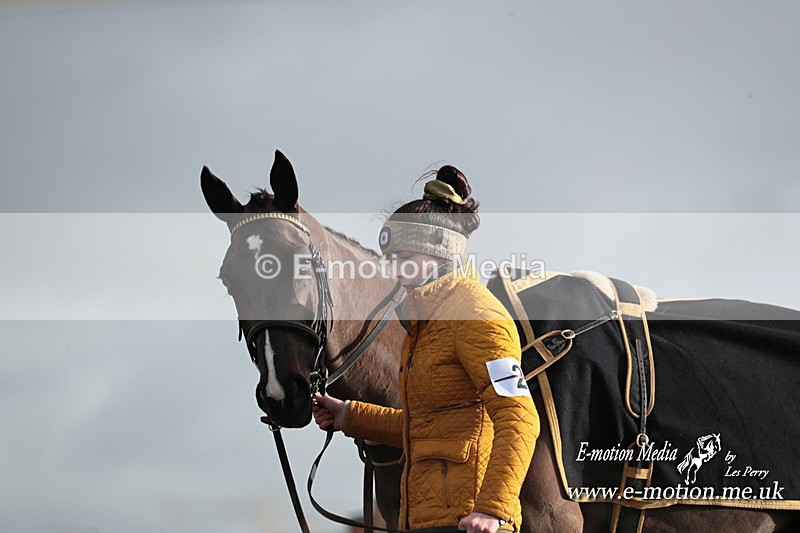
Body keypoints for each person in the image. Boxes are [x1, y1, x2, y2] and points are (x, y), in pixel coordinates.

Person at [314, 165, 539, 533]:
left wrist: (493, 510)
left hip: (469, 521)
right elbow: (425, 424)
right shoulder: (425, 324)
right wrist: (349, 416)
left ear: (441, 252)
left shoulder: (476, 316)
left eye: (407, 258)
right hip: (429, 518)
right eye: (393, 259)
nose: (397, 269)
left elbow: (520, 416)